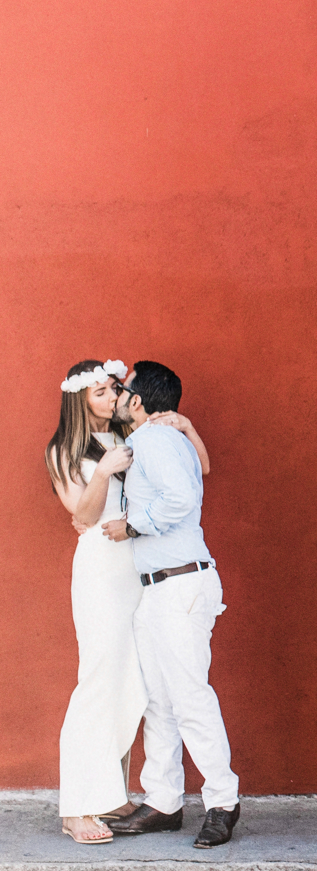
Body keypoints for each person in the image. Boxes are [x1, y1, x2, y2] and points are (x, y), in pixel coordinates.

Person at [102, 361, 239, 848]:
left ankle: (223, 800)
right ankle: (163, 801)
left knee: (188, 695)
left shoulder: (153, 440)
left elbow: (182, 498)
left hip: (180, 584)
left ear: (137, 401)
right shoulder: (158, 438)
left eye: (121, 390)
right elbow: (198, 472)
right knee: (159, 699)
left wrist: (133, 527)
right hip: (160, 587)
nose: (117, 397)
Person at [45, 360, 141, 844]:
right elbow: (80, 513)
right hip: (102, 570)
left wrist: (179, 423)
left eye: (112, 388)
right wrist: (103, 470)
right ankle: (77, 806)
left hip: (138, 567)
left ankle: (110, 793)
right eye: (100, 391)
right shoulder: (65, 449)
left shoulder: (129, 434)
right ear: (80, 400)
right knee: (100, 678)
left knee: (134, 681)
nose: (110, 396)